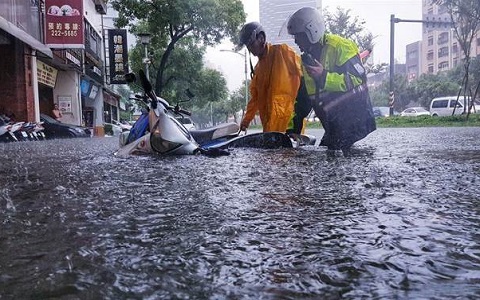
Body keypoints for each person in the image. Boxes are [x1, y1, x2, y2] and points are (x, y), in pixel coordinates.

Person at [286, 7, 376, 155]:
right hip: (335, 124)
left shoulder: (340, 47)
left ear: (312, 31)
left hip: (354, 120)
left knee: (337, 159)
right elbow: (304, 98)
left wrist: (323, 76)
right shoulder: (307, 59)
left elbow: (358, 79)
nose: (296, 41)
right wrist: (292, 129)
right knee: (328, 156)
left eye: (298, 36)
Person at [237, 22, 303, 133]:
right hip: (269, 129)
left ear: (261, 38)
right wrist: (246, 120)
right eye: (248, 46)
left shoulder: (282, 52)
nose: (250, 49)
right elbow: (255, 99)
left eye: (251, 44)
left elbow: (306, 77)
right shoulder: (258, 70)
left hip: (290, 126)